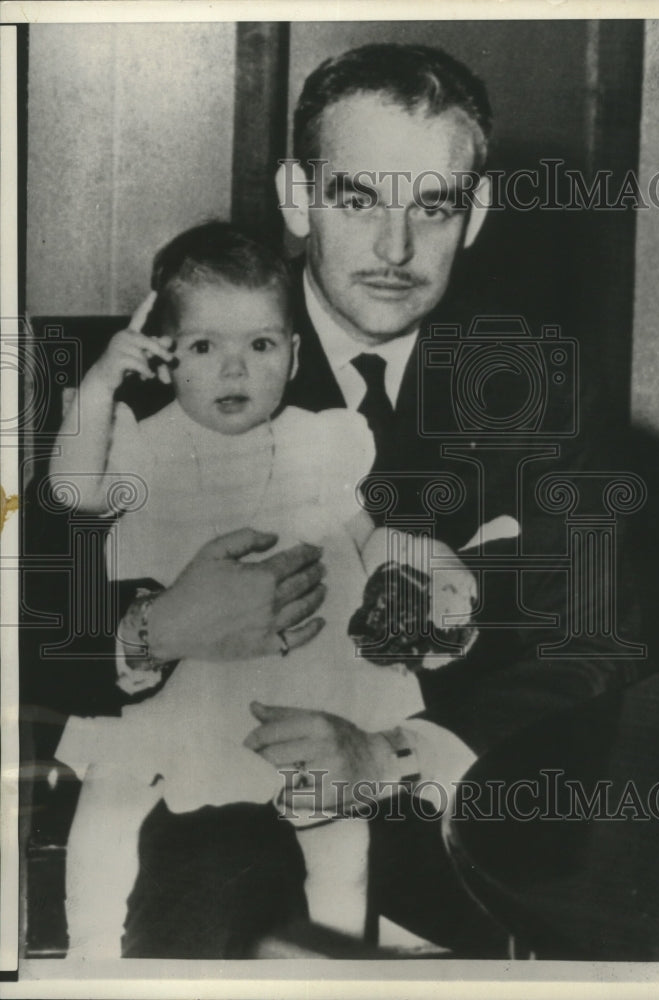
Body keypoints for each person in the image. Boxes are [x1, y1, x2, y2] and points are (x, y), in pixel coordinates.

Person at [38, 43, 645, 957]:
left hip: (458, 872)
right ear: (296, 196)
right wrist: (153, 630)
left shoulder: (542, 385)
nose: (395, 249)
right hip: (201, 851)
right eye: (357, 199)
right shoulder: (161, 367)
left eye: (431, 206)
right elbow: (24, 620)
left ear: (473, 213)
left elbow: (595, 640)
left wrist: (392, 756)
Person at [49, 222, 468, 955]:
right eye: (205, 347)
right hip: (179, 687)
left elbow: (366, 533)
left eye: (260, 346)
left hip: (307, 682)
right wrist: (100, 382)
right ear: (165, 357)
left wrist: (418, 569)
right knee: (109, 811)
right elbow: (72, 491)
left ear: (292, 353)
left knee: (340, 837)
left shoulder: (320, 440)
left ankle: (338, 958)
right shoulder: (143, 445)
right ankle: (90, 957)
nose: (234, 370)